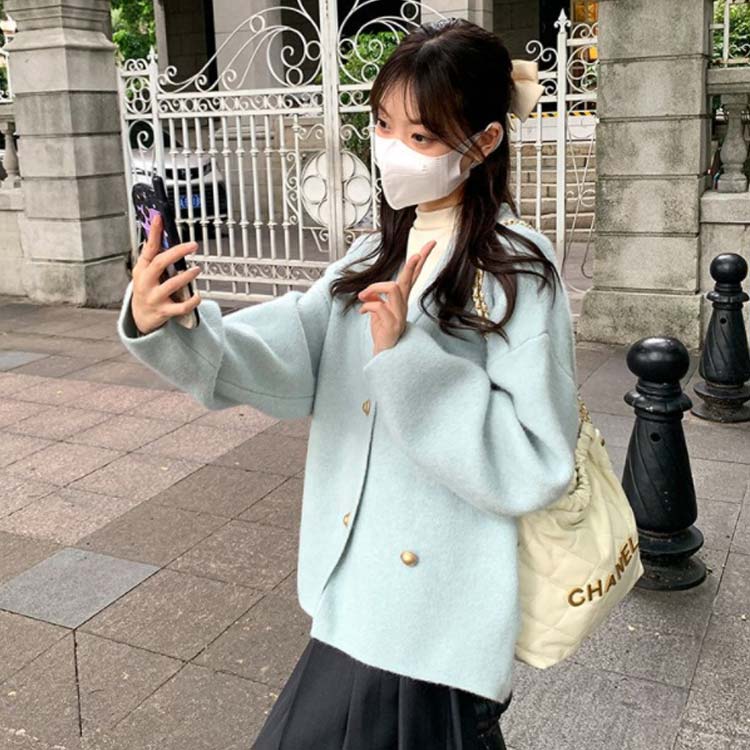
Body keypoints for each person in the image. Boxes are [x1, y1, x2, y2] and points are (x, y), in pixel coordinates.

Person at [117, 17, 579, 750]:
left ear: (484, 141)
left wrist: (407, 358)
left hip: (434, 606)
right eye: (383, 125)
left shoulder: (516, 268)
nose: (392, 149)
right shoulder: (373, 250)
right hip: (356, 588)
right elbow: (292, 350)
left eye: (420, 136)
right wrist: (175, 323)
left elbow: (539, 456)